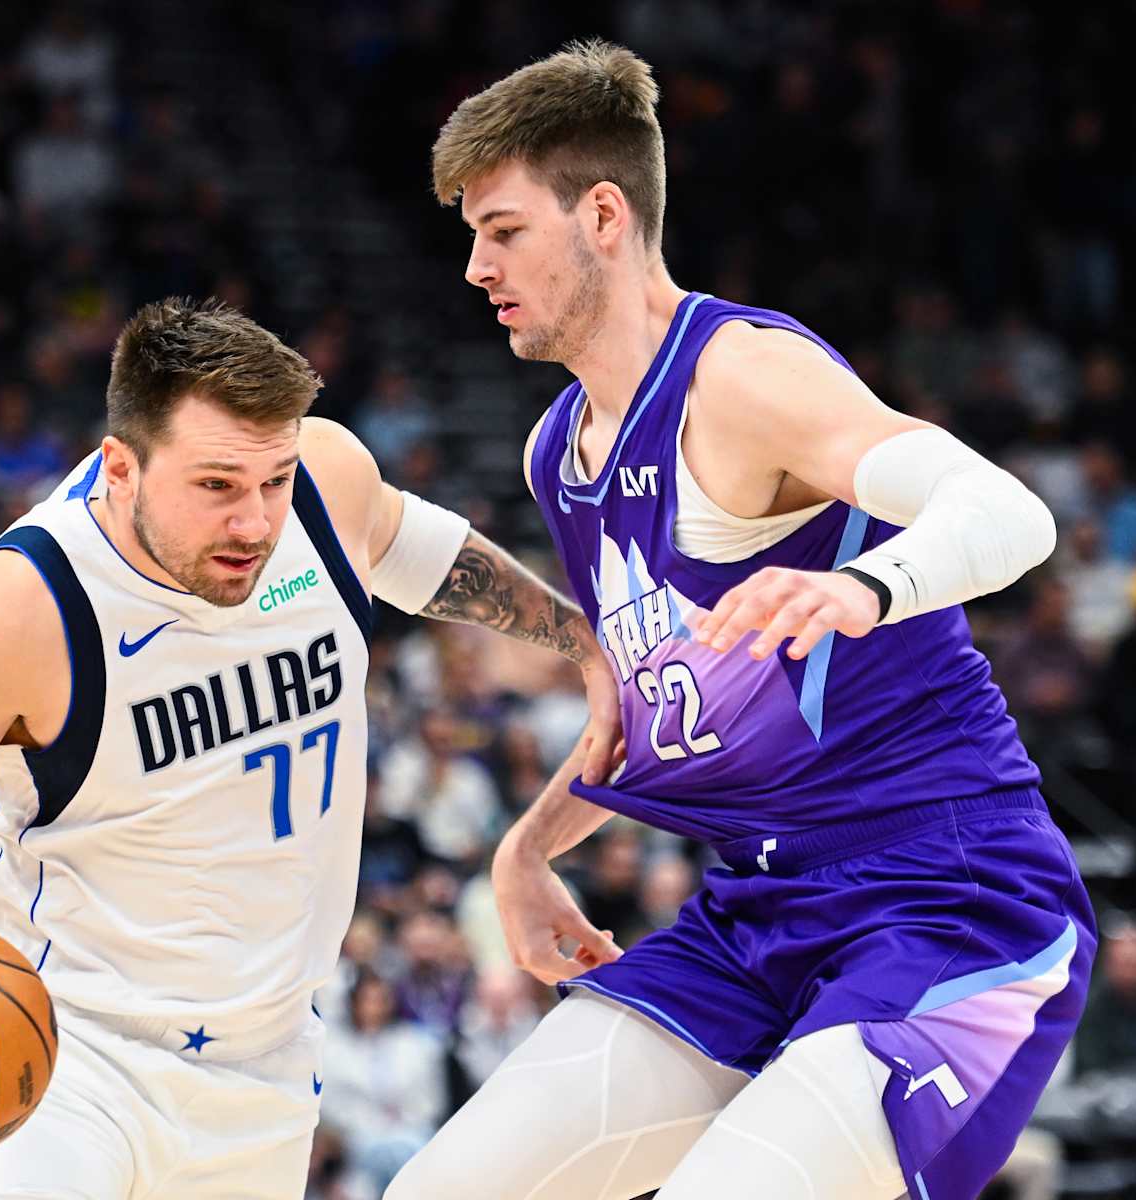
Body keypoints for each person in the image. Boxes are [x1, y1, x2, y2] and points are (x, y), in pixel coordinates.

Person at [391, 42, 1095, 1200]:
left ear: (603, 215)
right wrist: (526, 851)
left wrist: (858, 587)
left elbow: (1009, 513)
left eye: (502, 229)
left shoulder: (738, 378)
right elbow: (645, 710)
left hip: (946, 902)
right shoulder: (556, 455)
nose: (475, 265)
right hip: (761, 910)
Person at [0, 297, 619, 1200]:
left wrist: (585, 642)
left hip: (265, 1073)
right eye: (218, 486)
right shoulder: (20, 608)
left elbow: (425, 554)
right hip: (62, 1059)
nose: (256, 523)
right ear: (121, 467)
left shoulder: (326, 481)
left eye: (273, 480)